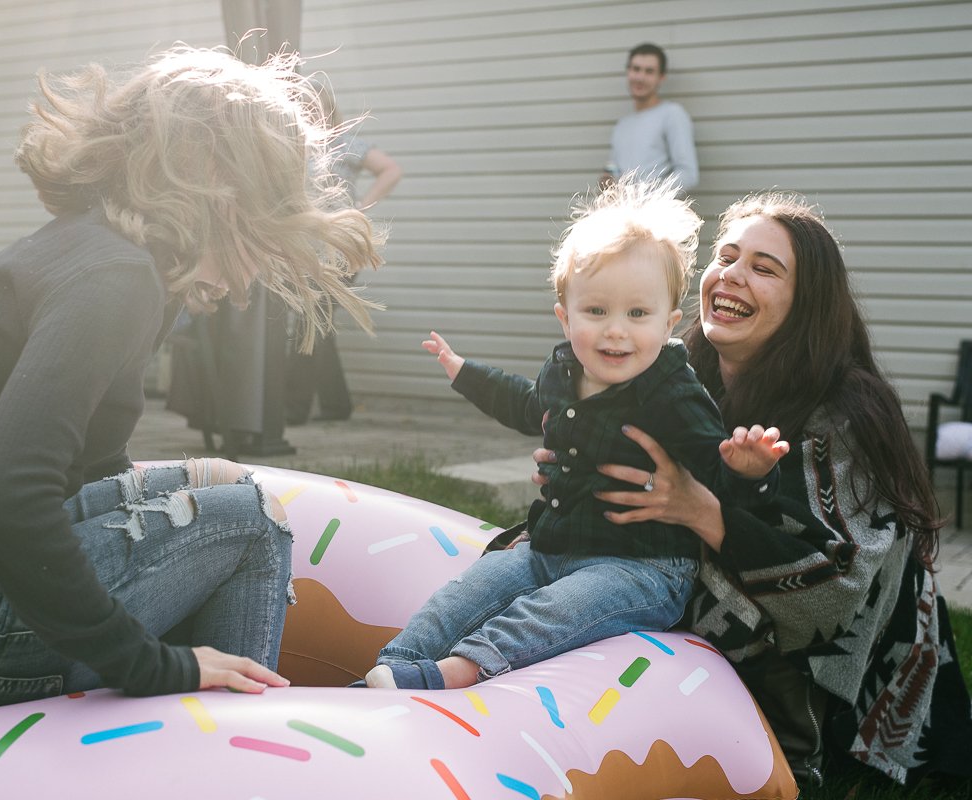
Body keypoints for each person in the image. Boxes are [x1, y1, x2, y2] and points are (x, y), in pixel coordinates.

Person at [0, 46, 382, 719]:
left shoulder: (95, 247)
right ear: (208, 182)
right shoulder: (116, 280)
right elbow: (8, 500)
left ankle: (217, 698)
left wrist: (188, 478)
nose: (254, 274)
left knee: (223, 485)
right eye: (261, 230)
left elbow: (69, 467)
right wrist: (155, 668)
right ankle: (235, 749)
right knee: (253, 522)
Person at [534, 192, 972, 788]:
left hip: (847, 689)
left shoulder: (847, 413)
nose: (732, 275)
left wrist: (702, 511)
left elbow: (835, 591)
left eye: (764, 269)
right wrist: (571, 475)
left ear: (806, 304)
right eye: (727, 256)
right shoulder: (677, 373)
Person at [364, 179, 785, 692]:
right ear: (566, 317)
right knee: (469, 589)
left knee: (554, 612)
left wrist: (748, 469)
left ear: (669, 321)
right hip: (552, 545)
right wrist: (463, 372)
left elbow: (713, 467)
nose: (615, 331)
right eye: (596, 311)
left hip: (641, 567)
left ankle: (460, 672)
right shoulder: (564, 369)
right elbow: (525, 404)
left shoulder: (673, 390)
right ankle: (393, 666)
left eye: (637, 314)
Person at [285, 77, 402, 425]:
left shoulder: (346, 142)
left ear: (324, 107)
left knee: (311, 321)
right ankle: (336, 406)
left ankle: (293, 409)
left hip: (338, 248)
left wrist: (361, 205)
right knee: (317, 322)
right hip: (307, 248)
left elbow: (390, 169)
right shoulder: (297, 146)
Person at [601, 43, 698, 195]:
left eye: (649, 71)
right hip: (624, 215)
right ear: (628, 72)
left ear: (661, 77)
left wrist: (646, 200)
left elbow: (688, 174)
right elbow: (613, 172)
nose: (640, 77)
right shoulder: (622, 125)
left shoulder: (672, 114)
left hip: (656, 215)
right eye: (636, 69)